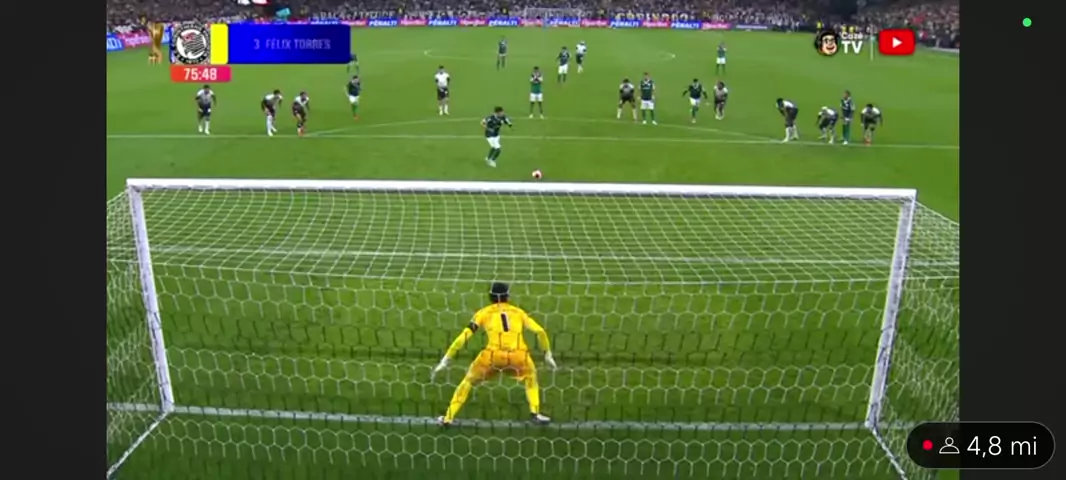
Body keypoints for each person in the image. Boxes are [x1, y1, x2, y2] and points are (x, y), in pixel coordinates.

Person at [431, 282, 557, 426]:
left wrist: (446, 359)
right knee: (531, 377)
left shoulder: (483, 313)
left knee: (467, 382)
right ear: (507, 296)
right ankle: (535, 413)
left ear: (490, 297)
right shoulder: (518, 312)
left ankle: (448, 417)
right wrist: (547, 354)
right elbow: (540, 331)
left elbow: (464, 336)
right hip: (518, 356)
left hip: (492, 357)